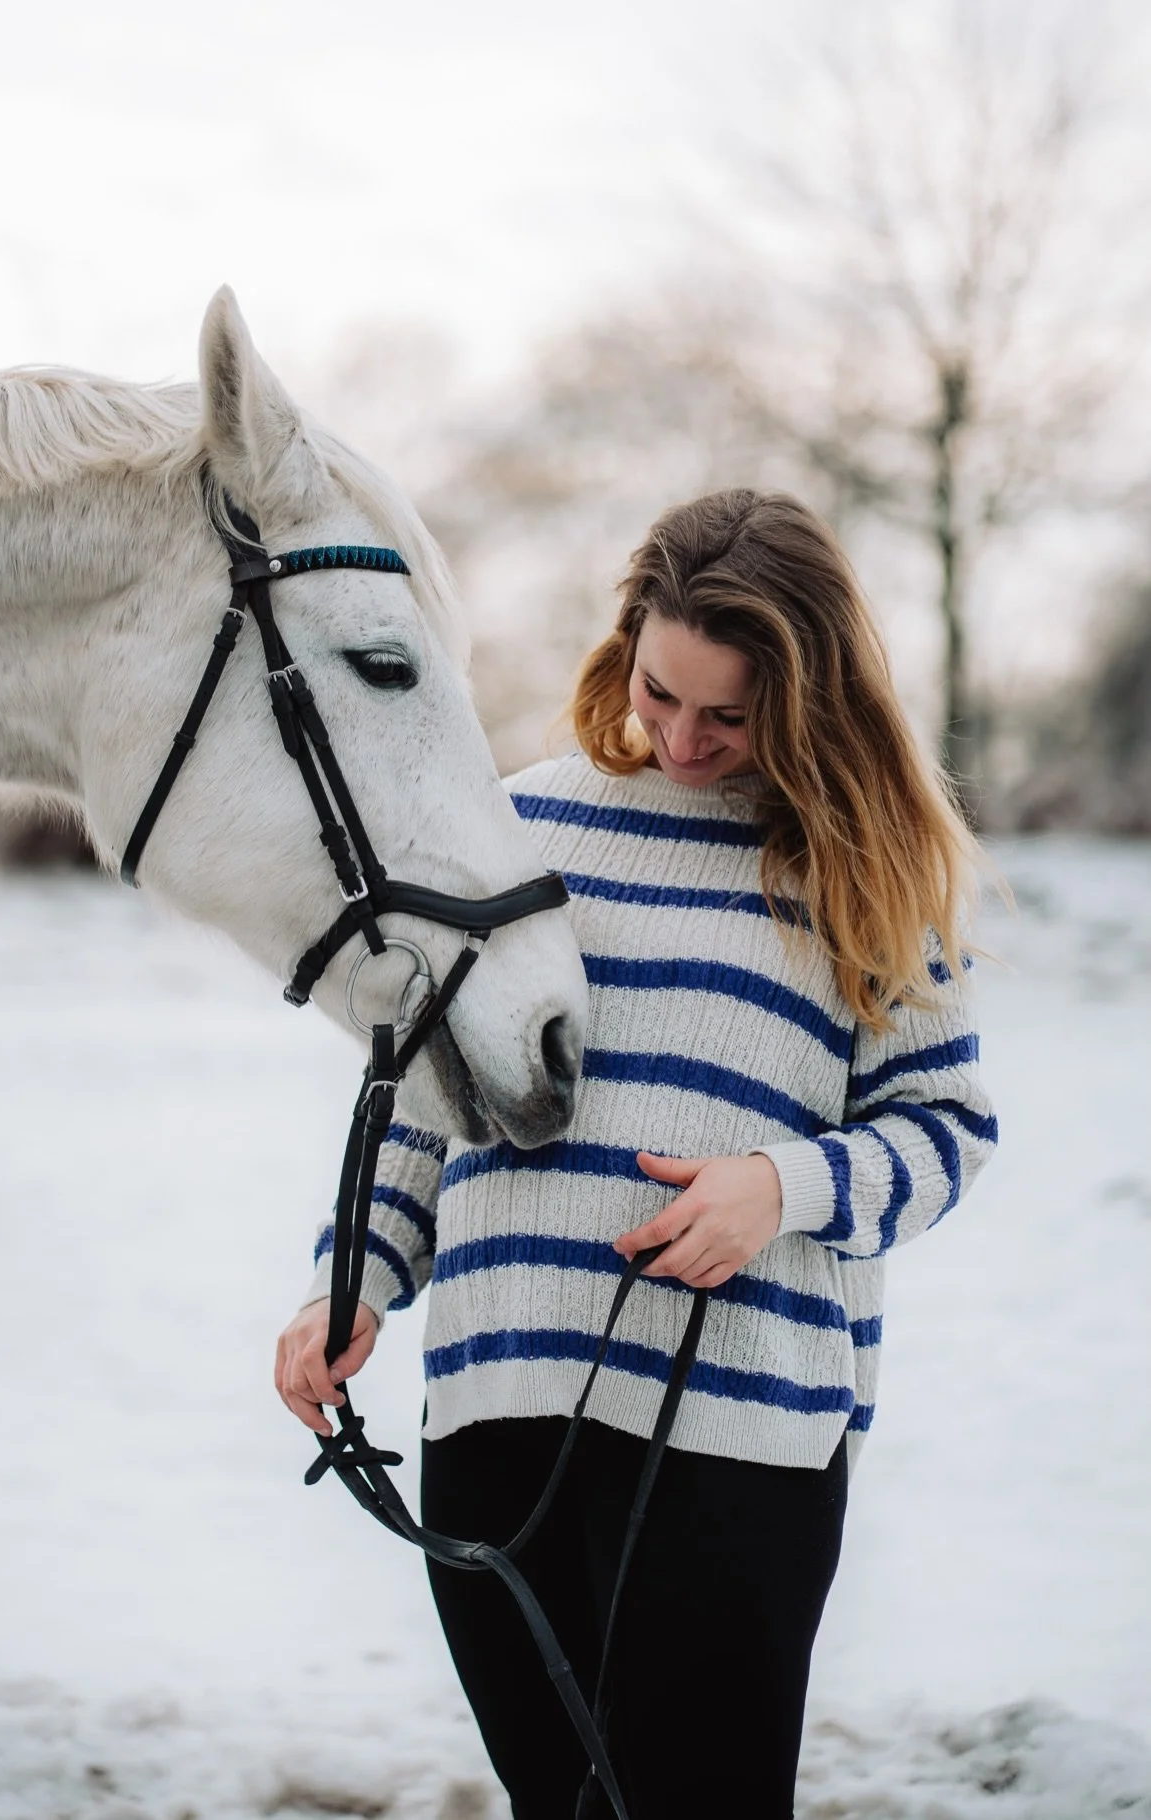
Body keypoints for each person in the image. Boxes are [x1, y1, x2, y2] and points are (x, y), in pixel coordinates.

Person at [274, 490, 998, 1820]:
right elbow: (427, 1095)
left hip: (738, 1443)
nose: (683, 738)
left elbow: (946, 1135)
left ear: (806, 695)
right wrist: (353, 1284)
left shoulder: (867, 874)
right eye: (663, 693)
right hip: (498, 1414)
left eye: (729, 715)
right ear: (626, 650)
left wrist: (780, 1188)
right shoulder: (522, 831)